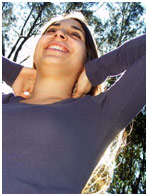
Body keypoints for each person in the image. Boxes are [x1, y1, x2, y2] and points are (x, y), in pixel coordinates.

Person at [2, 13, 146, 194]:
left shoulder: (99, 113)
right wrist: (9, 71)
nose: (59, 34)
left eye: (75, 34)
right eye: (51, 30)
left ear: (87, 59)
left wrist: (98, 69)